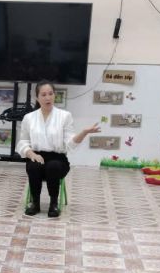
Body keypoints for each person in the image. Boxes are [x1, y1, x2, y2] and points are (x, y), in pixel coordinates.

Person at [18, 80, 100, 218]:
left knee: (53, 166)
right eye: (43, 94)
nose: (48, 98)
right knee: (33, 166)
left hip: (58, 159)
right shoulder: (29, 118)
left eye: (51, 94)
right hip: (37, 156)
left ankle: (54, 203)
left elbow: (70, 143)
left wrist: (84, 132)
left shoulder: (64, 116)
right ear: (37, 98)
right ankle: (35, 203)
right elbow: (23, 142)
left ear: (55, 95)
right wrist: (31, 154)